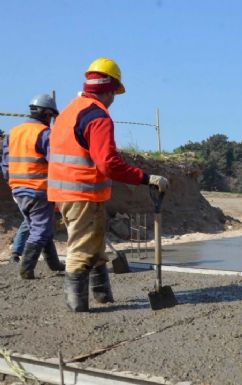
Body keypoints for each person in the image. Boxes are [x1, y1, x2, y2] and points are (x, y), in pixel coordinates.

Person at [47, 58, 168, 312]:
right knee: (81, 251)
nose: (115, 98)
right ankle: (76, 309)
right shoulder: (97, 116)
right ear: (110, 89)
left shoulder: (69, 111)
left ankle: (103, 297)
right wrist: (146, 178)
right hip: (82, 193)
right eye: (115, 93)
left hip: (64, 192)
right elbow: (108, 164)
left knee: (95, 246)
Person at [1, 94, 65, 278]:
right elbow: (55, 164)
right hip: (38, 189)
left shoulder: (13, 132)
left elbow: (5, 164)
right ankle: (26, 268)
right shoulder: (45, 134)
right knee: (41, 229)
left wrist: (14, 183)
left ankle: (54, 264)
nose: (51, 120)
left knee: (38, 227)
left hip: (17, 189)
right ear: (46, 114)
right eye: (51, 116)